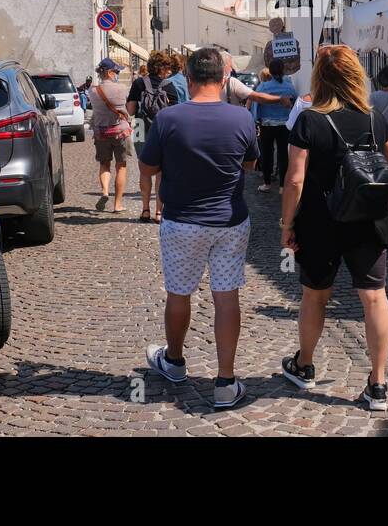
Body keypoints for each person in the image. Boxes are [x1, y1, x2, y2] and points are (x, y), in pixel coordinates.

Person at [280, 45, 388, 411]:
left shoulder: (309, 120)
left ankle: (304, 365)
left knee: (315, 295)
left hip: (320, 222)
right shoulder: (374, 117)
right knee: (374, 297)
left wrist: (286, 225)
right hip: (368, 220)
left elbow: (295, 180)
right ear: (357, 76)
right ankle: (378, 384)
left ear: (320, 78)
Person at [138, 47, 260, 409]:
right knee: (226, 297)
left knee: (178, 293)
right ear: (224, 79)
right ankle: (225, 382)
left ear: (187, 79)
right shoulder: (241, 119)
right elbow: (251, 164)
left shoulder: (168, 118)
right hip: (230, 220)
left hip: (182, 221)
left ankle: (174, 361)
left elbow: (147, 169)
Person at [127, 50, 174, 222]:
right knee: (161, 171)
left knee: (144, 169)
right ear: (164, 68)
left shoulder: (139, 83)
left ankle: (145, 209)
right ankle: (159, 212)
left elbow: (131, 110)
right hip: (162, 129)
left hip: (140, 127)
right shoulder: (169, 85)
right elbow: (175, 113)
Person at [88, 58, 132, 213]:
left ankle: (105, 191)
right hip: (120, 131)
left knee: (104, 164)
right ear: (109, 72)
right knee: (121, 166)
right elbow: (128, 107)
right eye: (117, 71)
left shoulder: (93, 91)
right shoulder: (122, 88)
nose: (118, 74)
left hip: (101, 133)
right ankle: (117, 204)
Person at [253, 58, 297, 192]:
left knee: (267, 154)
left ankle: (267, 184)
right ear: (283, 70)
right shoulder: (289, 86)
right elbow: (295, 102)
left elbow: (256, 104)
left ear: (270, 71)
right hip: (285, 125)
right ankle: (282, 186)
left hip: (267, 125)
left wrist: (256, 119)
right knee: (283, 154)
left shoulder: (264, 86)